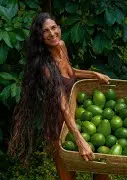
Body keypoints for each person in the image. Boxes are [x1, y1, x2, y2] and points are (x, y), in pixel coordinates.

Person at [8, 12, 110, 180]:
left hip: (75, 113)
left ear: (59, 28)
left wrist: (94, 74)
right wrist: (80, 141)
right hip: (58, 122)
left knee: (100, 167)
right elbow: (62, 106)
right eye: (45, 31)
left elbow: (70, 72)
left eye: (53, 28)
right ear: (40, 36)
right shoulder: (46, 67)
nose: (52, 33)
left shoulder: (61, 46)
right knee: (67, 176)